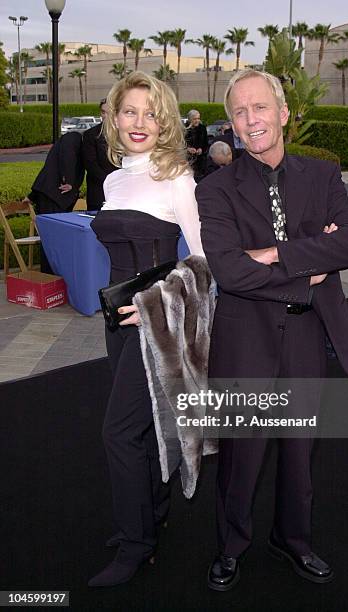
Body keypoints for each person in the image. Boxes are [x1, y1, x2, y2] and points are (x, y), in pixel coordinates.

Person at [195, 69, 348, 591]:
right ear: (232, 126)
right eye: (241, 113)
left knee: (300, 451)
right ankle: (231, 546)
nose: (252, 120)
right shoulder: (215, 189)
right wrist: (308, 271)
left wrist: (274, 254)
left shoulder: (323, 176)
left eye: (261, 108)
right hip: (245, 338)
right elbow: (227, 269)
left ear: (283, 112)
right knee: (240, 454)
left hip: (309, 337)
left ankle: (294, 541)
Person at [88, 71, 204, 588]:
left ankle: (137, 545)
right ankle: (149, 515)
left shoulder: (176, 174)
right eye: (130, 111)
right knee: (143, 428)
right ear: (114, 117)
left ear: (165, 121)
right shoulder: (114, 178)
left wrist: (158, 300)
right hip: (118, 323)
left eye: (151, 112)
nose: (140, 122)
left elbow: (204, 259)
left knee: (118, 432)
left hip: (155, 322)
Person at [26, 131, 84, 273]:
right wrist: (69, 181)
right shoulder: (74, 138)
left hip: (52, 194)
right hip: (56, 194)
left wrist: (32, 195)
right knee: (52, 238)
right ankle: (51, 276)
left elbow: (50, 168)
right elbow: (67, 157)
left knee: (51, 238)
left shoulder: (71, 139)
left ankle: (51, 275)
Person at [82, 98, 117, 211]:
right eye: (103, 112)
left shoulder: (125, 134)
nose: (106, 116)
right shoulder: (90, 135)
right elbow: (90, 164)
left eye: (109, 112)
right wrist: (110, 181)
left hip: (122, 192)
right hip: (98, 193)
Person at [185, 109, 209, 181]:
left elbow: (206, 143)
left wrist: (201, 149)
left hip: (200, 161)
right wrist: (187, 149)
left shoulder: (202, 128)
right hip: (187, 160)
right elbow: (179, 144)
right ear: (189, 119)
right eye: (194, 119)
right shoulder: (183, 129)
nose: (197, 121)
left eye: (198, 118)